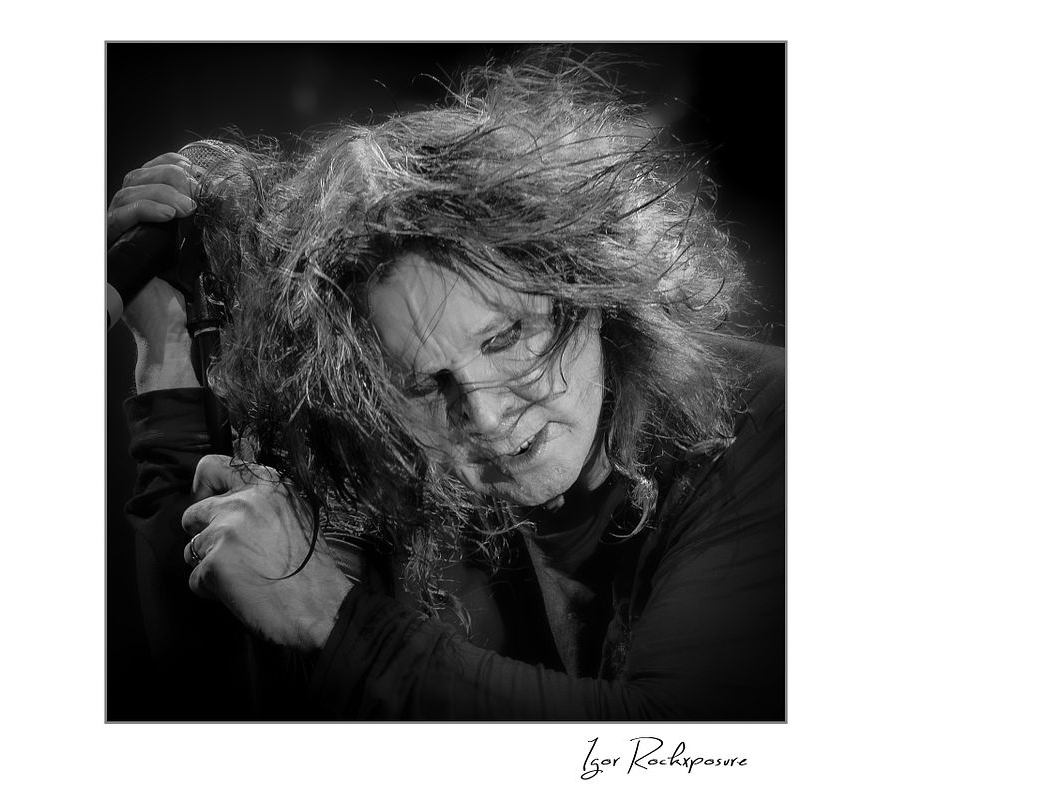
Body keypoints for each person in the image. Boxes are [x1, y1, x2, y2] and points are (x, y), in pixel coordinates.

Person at [112, 50, 784, 720]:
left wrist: (334, 616)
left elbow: (673, 748)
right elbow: (218, 722)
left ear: (596, 290)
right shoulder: (406, 466)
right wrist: (165, 353)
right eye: (426, 383)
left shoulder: (769, 420)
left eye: (508, 337)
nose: (486, 418)